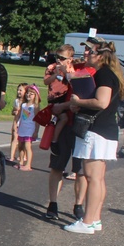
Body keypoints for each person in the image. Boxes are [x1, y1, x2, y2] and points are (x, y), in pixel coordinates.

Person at [63, 36, 124, 234]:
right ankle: (95, 218)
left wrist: (79, 101)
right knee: (97, 177)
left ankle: (88, 221)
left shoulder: (104, 75)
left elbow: (101, 102)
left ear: (101, 55)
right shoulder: (109, 74)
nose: (86, 53)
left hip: (97, 130)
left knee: (92, 177)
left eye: (90, 50)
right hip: (105, 130)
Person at [44, 47, 95, 221]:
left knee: (80, 170)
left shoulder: (93, 72)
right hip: (66, 125)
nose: (87, 54)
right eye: (86, 50)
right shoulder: (73, 67)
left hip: (83, 125)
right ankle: (53, 204)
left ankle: (78, 205)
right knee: (57, 165)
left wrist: (64, 106)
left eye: (91, 51)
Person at [13, 85, 41, 171]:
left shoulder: (35, 107)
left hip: (30, 129)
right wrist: (15, 125)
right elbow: (18, 116)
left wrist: (36, 131)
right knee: (20, 145)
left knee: (27, 146)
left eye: (31, 94)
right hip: (22, 128)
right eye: (28, 93)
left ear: (35, 95)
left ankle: (28, 164)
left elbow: (37, 120)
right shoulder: (23, 105)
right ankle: (21, 161)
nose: (29, 95)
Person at [7, 83, 27, 165]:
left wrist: (20, 111)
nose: (19, 92)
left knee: (22, 140)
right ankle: (11, 156)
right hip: (16, 122)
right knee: (14, 138)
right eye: (18, 90)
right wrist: (14, 111)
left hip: (23, 123)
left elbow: (26, 115)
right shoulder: (16, 101)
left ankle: (23, 155)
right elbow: (13, 112)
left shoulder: (26, 103)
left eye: (21, 90)